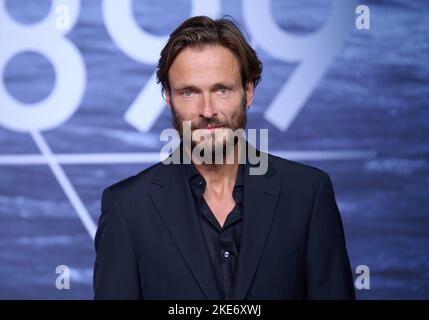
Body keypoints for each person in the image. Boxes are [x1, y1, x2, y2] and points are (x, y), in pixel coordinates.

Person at [93, 16, 355, 300]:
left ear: (248, 92)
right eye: (189, 92)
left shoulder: (308, 194)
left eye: (222, 90)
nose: (207, 110)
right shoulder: (127, 208)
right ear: (168, 98)